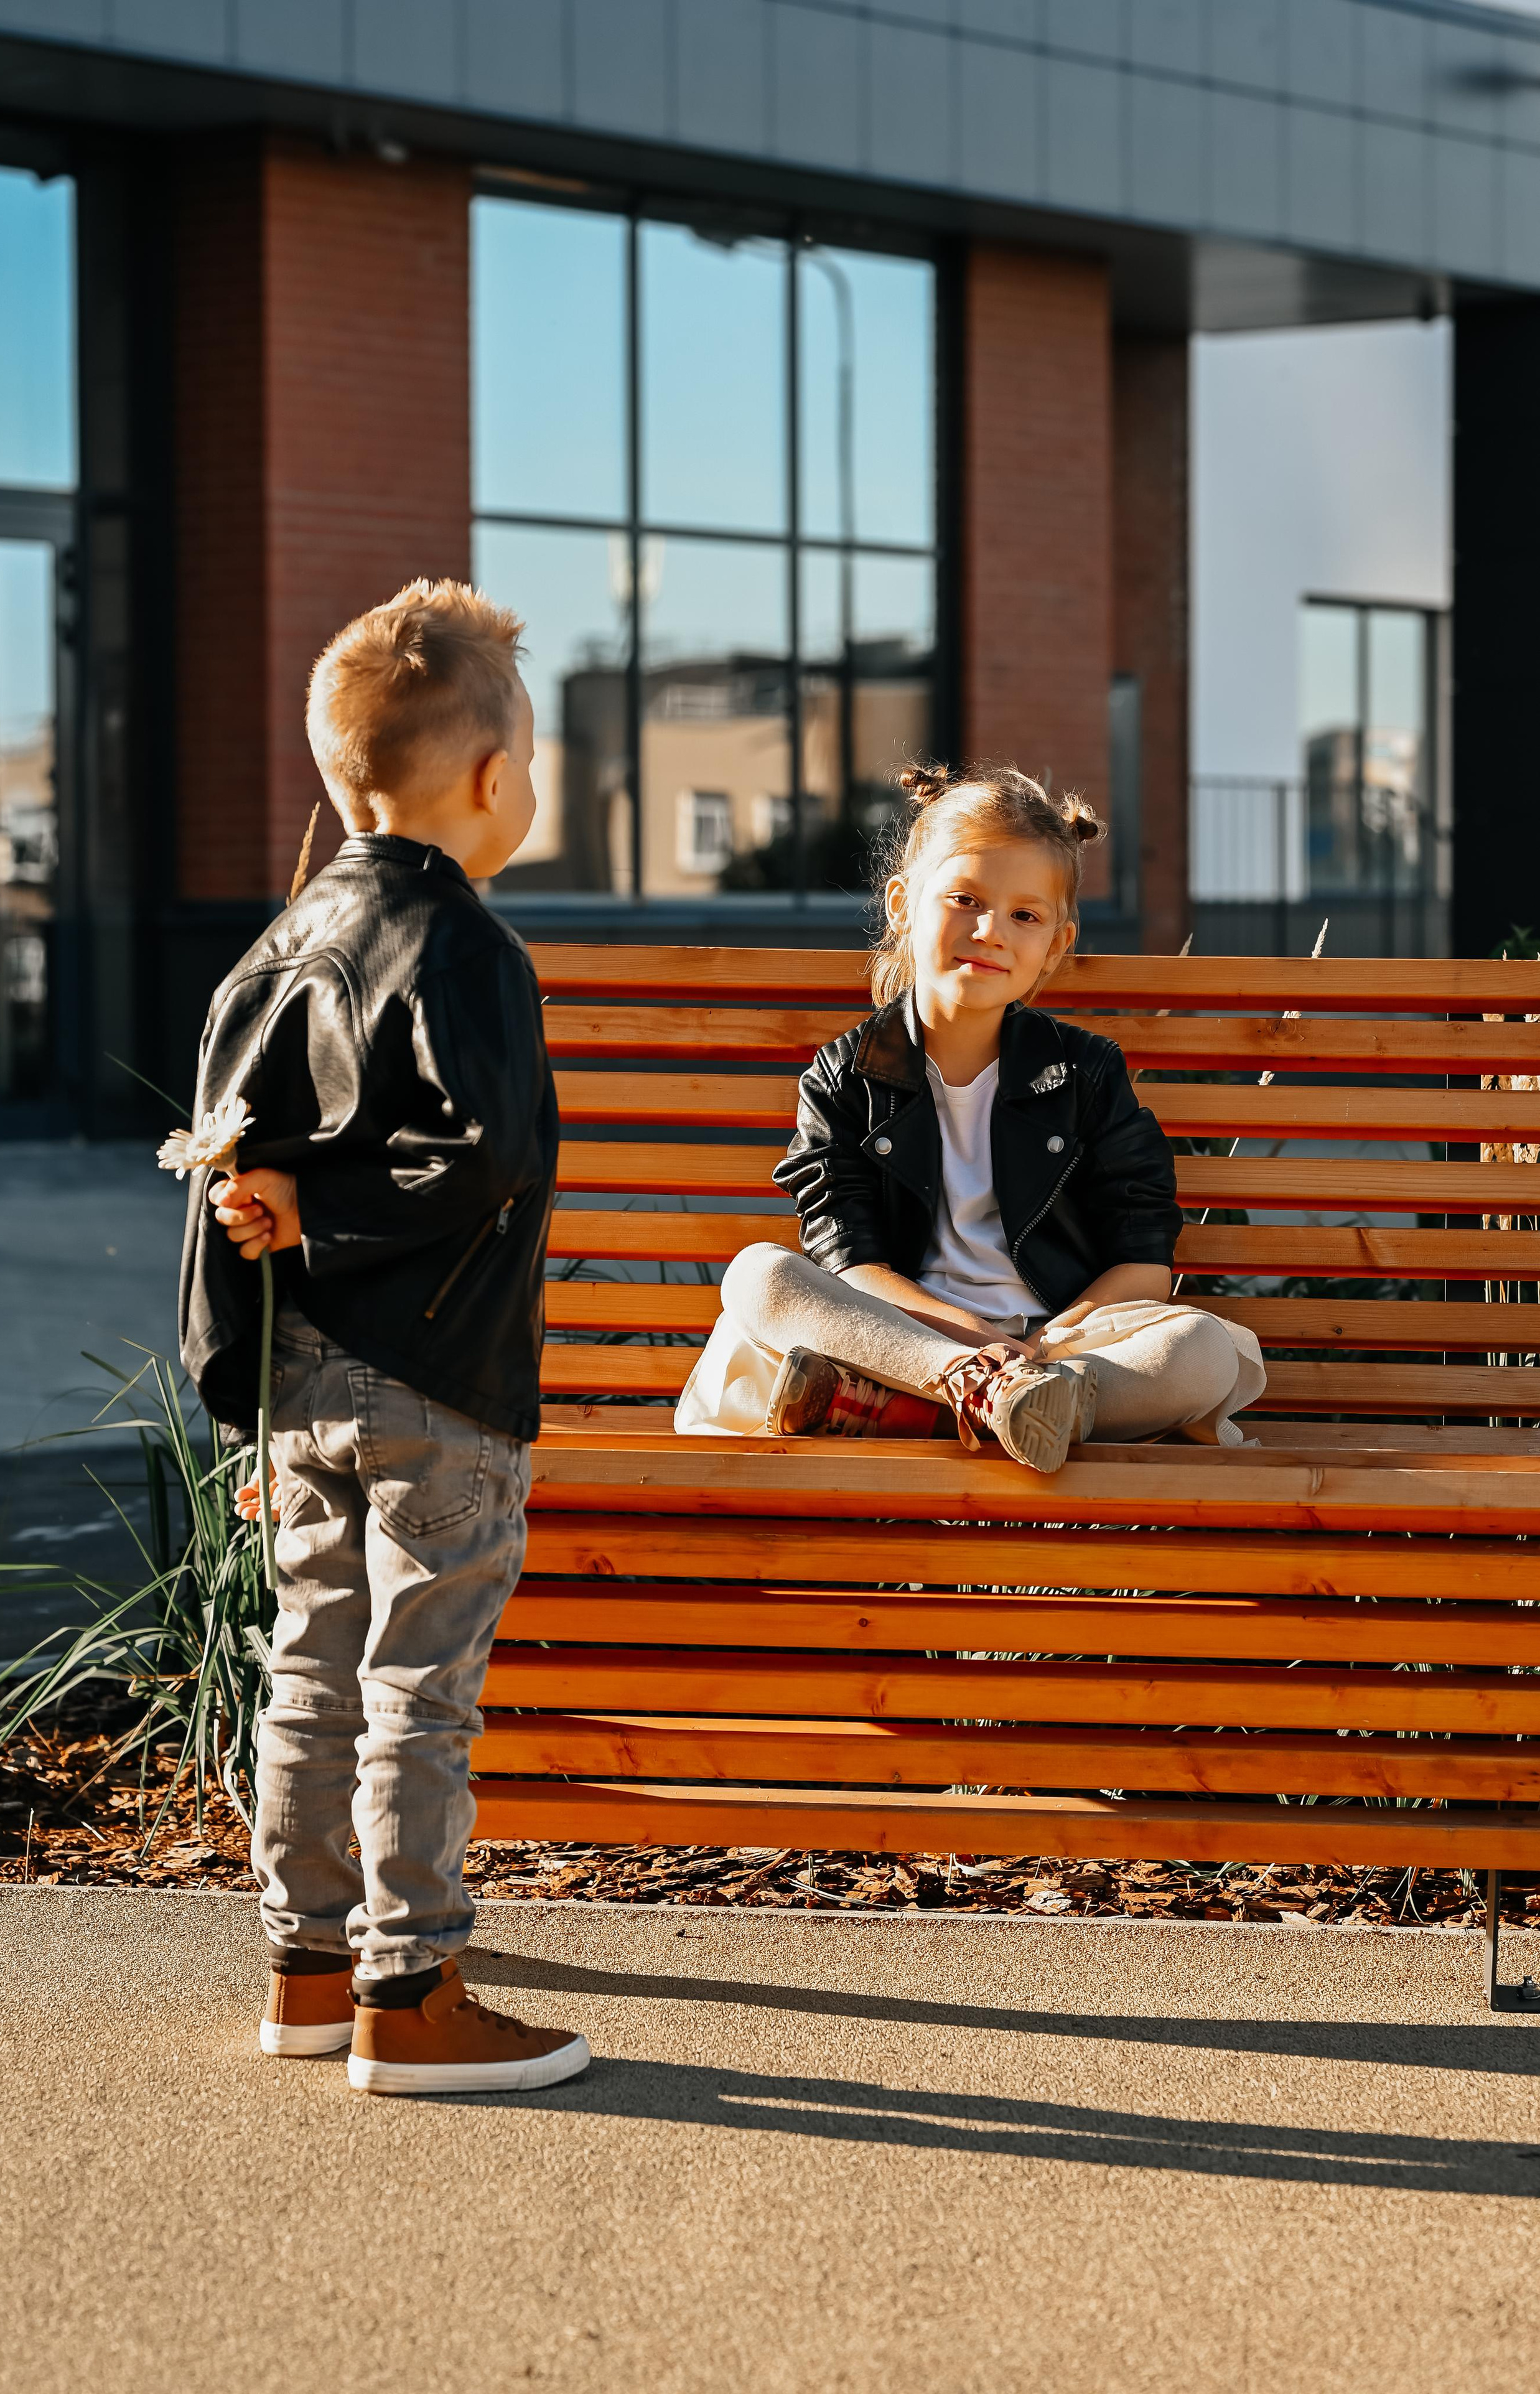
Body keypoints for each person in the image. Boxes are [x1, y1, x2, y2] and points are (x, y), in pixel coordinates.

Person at [179, 579, 589, 2097]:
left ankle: (303, 1965)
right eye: (531, 761)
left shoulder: (272, 950)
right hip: (440, 1378)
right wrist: (338, 1222)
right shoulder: (464, 946)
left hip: (299, 1384)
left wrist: (240, 1390)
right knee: (420, 1681)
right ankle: (407, 1992)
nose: (529, 785)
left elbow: (223, 1181)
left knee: (312, 1664)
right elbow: (490, 1158)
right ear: (492, 780)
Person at [675, 764, 1264, 1469]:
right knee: (758, 1277)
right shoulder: (843, 1078)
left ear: (1056, 943)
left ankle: (966, 1409)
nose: (989, 930)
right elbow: (852, 1265)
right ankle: (975, 1398)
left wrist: (1037, 1353)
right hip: (904, 1336)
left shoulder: (1086, 1073)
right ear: (902, 904)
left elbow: (1142, 1263)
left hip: (1064, 1346)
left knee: (1200, 1352)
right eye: (963, 898)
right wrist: (971, 1345)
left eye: (1024, 915)